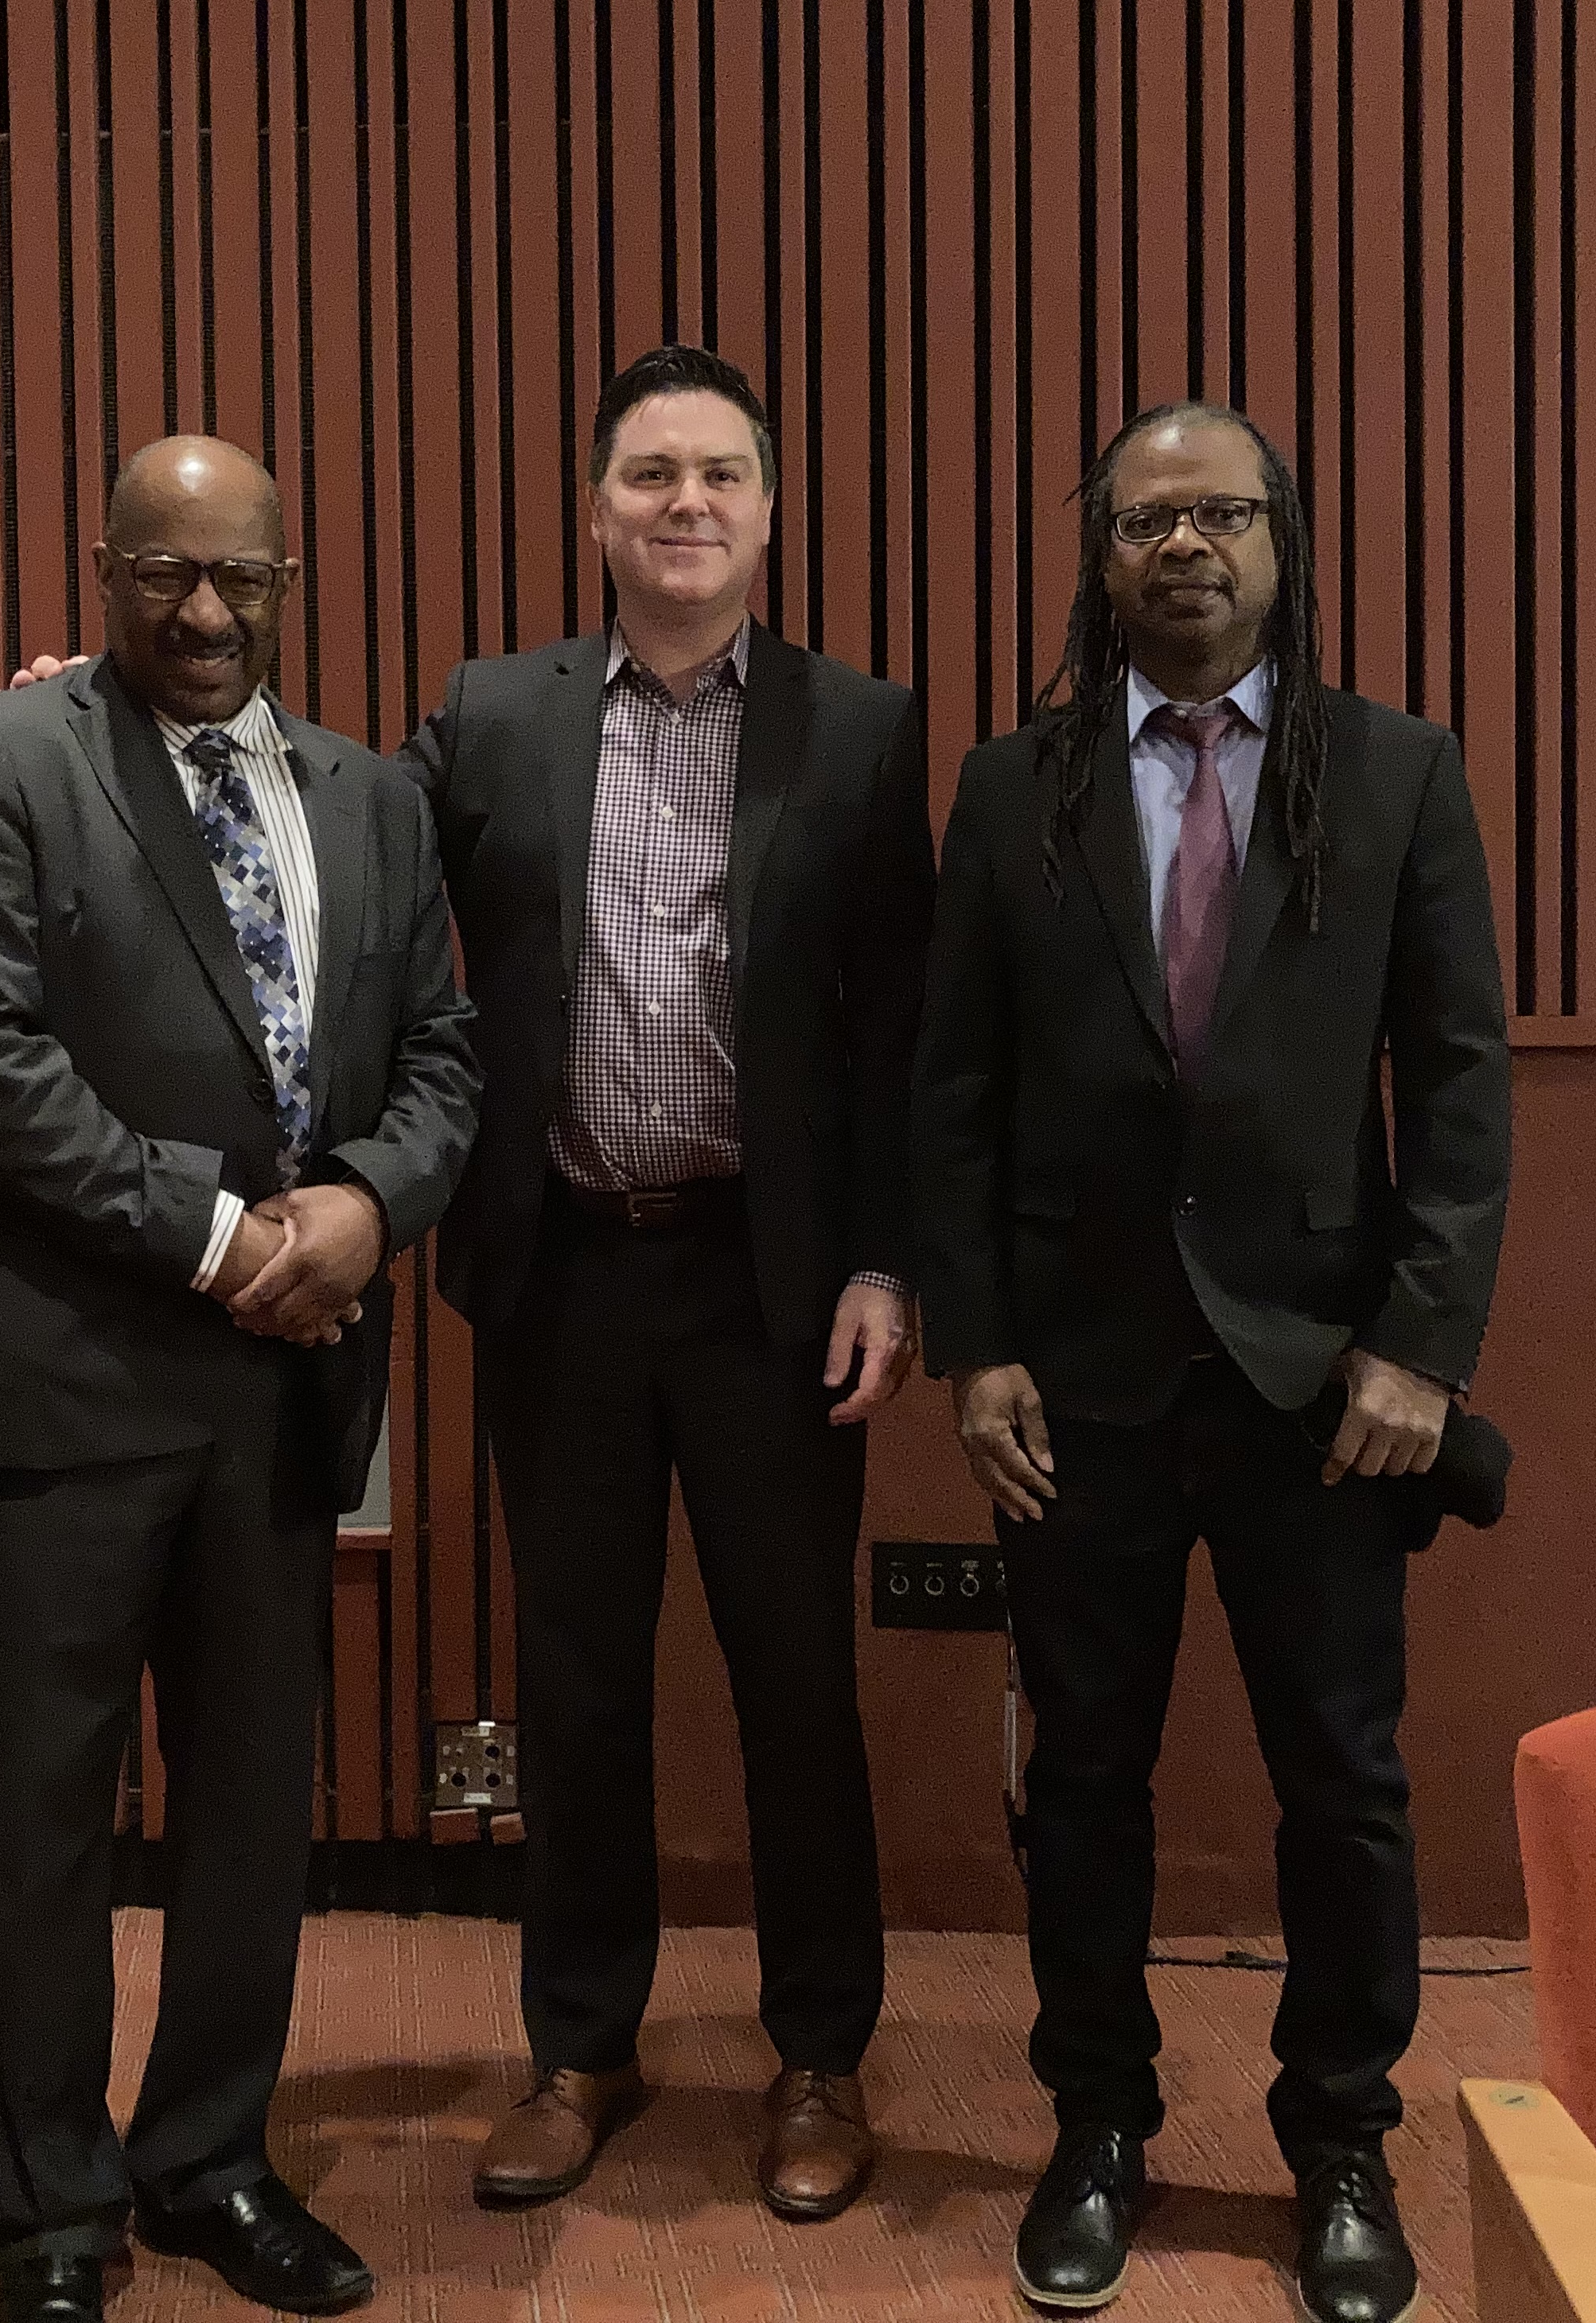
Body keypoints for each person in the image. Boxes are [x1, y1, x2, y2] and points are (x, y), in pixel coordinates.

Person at [910, 402, 1510, 2317]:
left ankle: (1341, 2140)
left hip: (1320, 1391)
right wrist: (976, 1344)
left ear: (1283, 542)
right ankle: (1098, 2126)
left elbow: (1465, 1082)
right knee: (1081, 1775)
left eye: (1224, 514)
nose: (1188, 547)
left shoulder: (1398, 774)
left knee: (1340, 1776)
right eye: (1149, 518)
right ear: (1101, 556)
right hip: (1072, 1384)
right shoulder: (1016, 793)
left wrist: (1422, 1343)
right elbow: (956, 1094)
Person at [0, 437, 480, 2322]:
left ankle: (210, 2162)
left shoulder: (378, 802)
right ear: (106, 568)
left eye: (243, 577)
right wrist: (226, 1232)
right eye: (165, 575)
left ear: (289, 578)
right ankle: (47, 2213)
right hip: (71, 1375)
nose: (208, 613)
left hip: (289, 1385)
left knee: (250, 1805)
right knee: (42, 1809)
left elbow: (450, 1060)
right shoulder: (5, 762)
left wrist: (369, 1211)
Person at [399, 346, 936, 2220]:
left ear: (770, 513)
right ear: (598, 509)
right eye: (651, 474)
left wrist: (888, 1259)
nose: (685, 503)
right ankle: (580, 2046)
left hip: (769, 1283)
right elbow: (346, 864)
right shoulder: (489, 716)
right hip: (563, 1276)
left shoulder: (861, 732)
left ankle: (820, 2057)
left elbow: (901, 1037)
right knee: (577, 1684)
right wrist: (101, 722)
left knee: (797, 1683)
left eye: (720, 474)